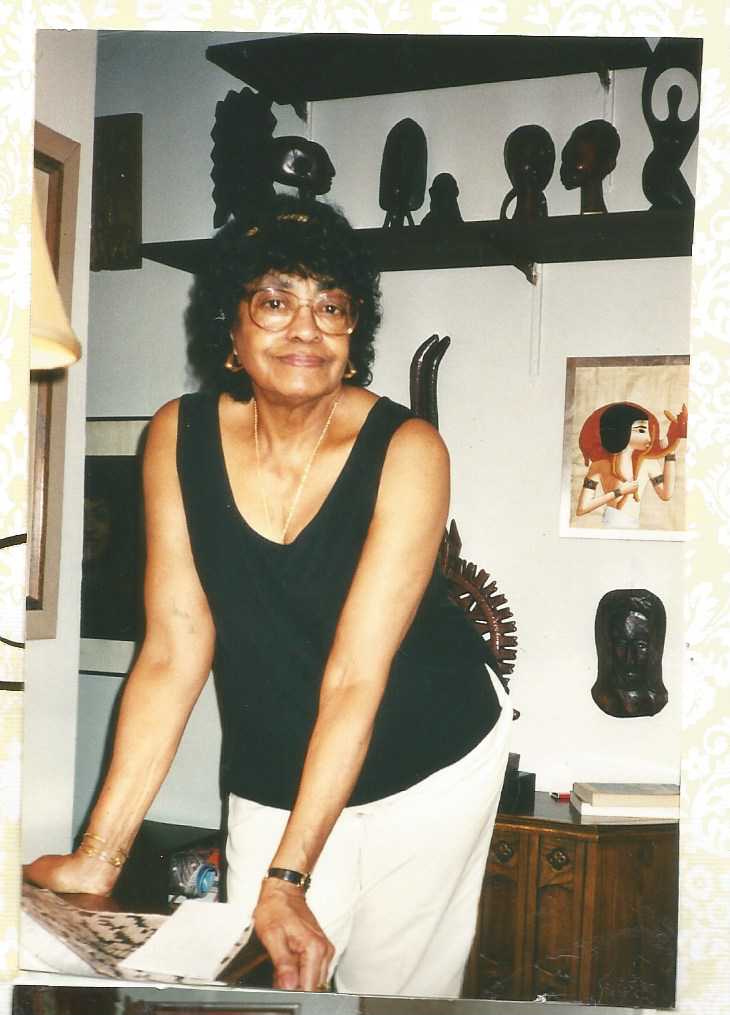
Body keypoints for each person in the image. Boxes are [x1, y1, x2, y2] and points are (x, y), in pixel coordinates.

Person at [24, 194, 511, 998]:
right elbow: (175, 647)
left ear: (354, 339)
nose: (306, 330)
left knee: (390, 990)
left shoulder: (409, 450)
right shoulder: (176, 437)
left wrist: (290, 876)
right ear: (232, 331)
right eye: (276, 301)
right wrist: (99, 854)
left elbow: (357, 675)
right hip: (275, 758)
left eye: (332, 307)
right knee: (265, 981)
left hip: (429, 758)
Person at [576, 400, 687, 529]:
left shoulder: (649, 463)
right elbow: (582, 509)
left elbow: (666, 494)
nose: (649, 438)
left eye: (647, 431)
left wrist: (670, 452)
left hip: (634, 526)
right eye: (641, 430)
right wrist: (619, 492)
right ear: (621, 430)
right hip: (611, 524)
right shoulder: (600, 465)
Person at [592, 588, 668, 717]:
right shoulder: (606, 698)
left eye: (640, 645)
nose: (630, 658)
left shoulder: (654, 699)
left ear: (656, 646)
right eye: (621, 644)